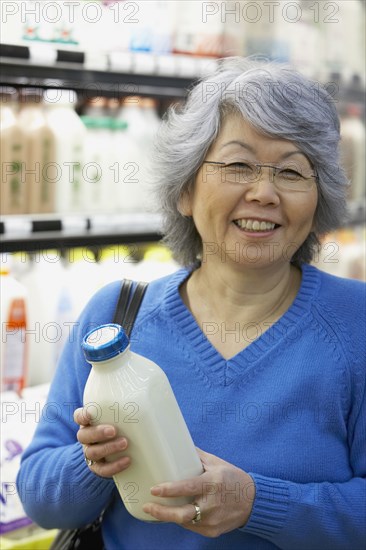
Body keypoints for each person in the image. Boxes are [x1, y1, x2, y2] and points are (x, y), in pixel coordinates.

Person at [16, 57, 365, 550]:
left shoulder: (356, 326)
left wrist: (256, 503)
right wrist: (94, 461)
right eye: (238, 164)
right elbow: (43, 501)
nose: (263, 192)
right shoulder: (118, 318)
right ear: (185, 189)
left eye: (291, 171)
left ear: (319, 197)